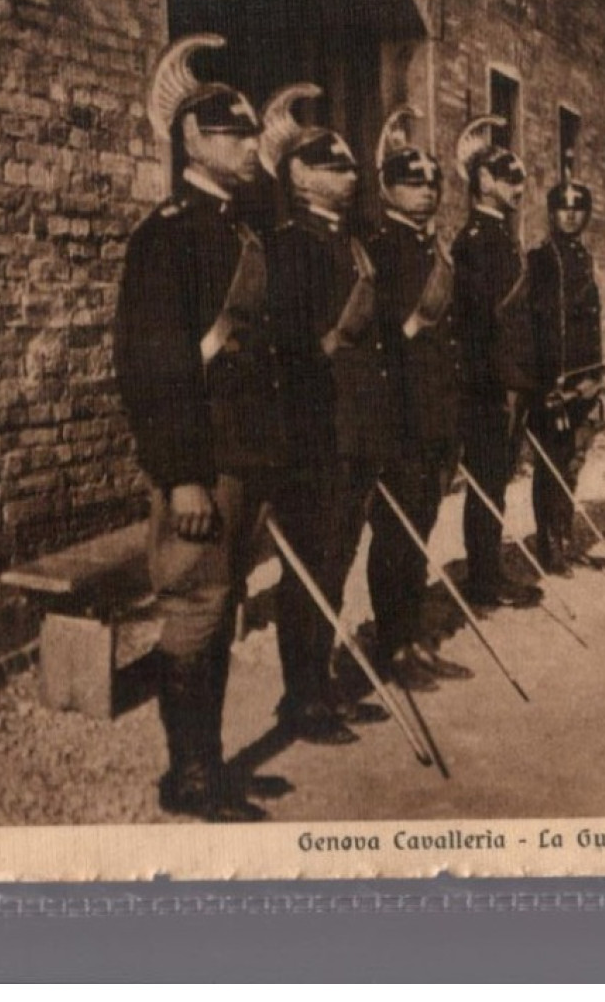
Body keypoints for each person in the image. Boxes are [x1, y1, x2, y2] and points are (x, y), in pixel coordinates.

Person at [113, 34, 275, 822]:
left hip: (242, 454)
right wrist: (180, 473)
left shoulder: (239, 229)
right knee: (194, 606)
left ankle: (204, 759)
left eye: (250, 132)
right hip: (202, 462)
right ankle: (191, 774)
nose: (251, 145)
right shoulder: (167, 236)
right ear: (191, 140)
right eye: (232, 134)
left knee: (221, 605)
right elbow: (154, 368)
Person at [257, 84, 389, 745]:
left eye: (350, 165)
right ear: (300, 172)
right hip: (315, 435)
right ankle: (300, 697)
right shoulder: (290, 247)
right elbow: (291, 350)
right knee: (307, 569)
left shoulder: (350, 243)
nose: (352, 173)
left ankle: (324, 677)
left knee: (335, 565)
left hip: (354, 429)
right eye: (335, 165)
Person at [361, 107, 473, 691]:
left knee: (421, 529)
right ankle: (390, 642)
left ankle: (408, 636)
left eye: (432, 182)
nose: (425, 191)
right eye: (412, 181)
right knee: (395, 535)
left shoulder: (436, 253)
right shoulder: (377, 252)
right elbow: (381, 345)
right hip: (398, 418)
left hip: (433, 417)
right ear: (386, 188)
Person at [450, 117, 543, 611]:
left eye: (520, 179)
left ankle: (489, 570)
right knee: (486, 483)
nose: (518, 188)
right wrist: (502, 382)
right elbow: (479, 324)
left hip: (508, 380)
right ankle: (484, 580)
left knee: (496, 481)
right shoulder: (474, 241)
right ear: (483, 181)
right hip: (488, 385)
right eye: (508, 178)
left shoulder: (500, 235)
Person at [523, 180, 605, 574]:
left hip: (582, 378)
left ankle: (565, 533)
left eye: (578, 208)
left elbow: (589, 323)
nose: (571, 214)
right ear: (551, 213)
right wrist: (546, 381)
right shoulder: (541, 259)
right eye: (563, 208)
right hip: (553, 381)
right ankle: (548, 544)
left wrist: (595, 372)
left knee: (573, 459)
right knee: (550, 462)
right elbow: (539, 324)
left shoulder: (583, 257)